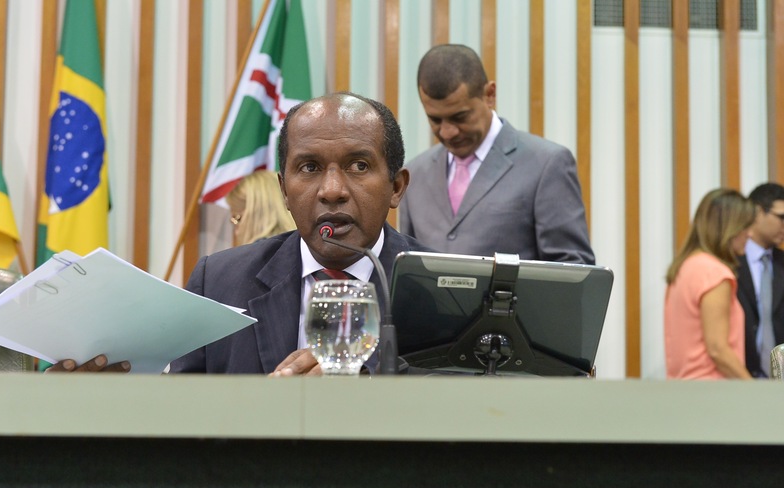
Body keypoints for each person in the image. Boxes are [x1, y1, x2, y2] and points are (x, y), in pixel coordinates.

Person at [48, 92, 430, 375]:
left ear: (396, 187)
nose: (332, 190)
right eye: (310, 168)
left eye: (358, 165)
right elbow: (181, 414)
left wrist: (366, 390)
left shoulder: (439, 288)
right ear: (284, 191)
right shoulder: (219, 282)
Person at [399, 43, 595, 264]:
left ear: (490, 95)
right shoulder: (415, 174)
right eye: (435, 119)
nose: (447, 132)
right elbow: (408, 268)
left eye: (460, 117)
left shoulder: (547, 165)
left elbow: (574, 271)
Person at [664, 188, 755, 380]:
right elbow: (717, 349)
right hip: (713, 389)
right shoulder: (714, 273)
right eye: (745, 226)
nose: (750, 234)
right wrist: (753, 389)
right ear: (729, 229)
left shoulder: (684, 267)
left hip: (683, 388)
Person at [736, 183, 784, 378]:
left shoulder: (782, 263)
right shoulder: (729, 263)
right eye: (781, 217)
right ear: (757, 213)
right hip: (735, 378)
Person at [225, 170, 296, 246]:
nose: (236, 232)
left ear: (255, 216)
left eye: (236, 219)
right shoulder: (299, 243)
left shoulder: (258, 250)